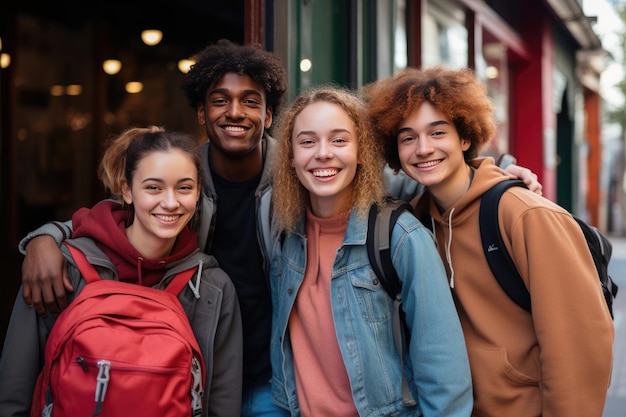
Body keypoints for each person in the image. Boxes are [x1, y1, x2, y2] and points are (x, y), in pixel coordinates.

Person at [15, 40, 539, 416]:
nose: (235, 112)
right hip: (206, 373)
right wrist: (48, 236)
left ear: (270, 118)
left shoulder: (343, 201)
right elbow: (123, 211)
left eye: (251, 102)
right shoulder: (182, 175)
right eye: (220, 101)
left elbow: (420, 179)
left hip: (274, 382)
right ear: (201, 112)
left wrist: (491, 173)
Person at [364, 66, 614, 417]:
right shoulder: (413, 224)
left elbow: (579, 347)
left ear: (464, 138)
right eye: (407, 138)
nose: (423, 148)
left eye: (438, 132)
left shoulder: (525, 215)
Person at [0, 126, 243, 417]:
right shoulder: (62, 268)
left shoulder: (212, 288)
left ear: (199, 192)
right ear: (126, 190)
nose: (170, 202)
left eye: (184, 187)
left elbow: (222, 404)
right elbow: (15, 392)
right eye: (153, 187)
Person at [269, 86, 473, 416]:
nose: (323, 153)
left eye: (339, 140)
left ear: (361, 150)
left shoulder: (400, 237)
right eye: (307, 141)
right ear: (291, 158)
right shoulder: (288, 238)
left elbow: (444, 370)